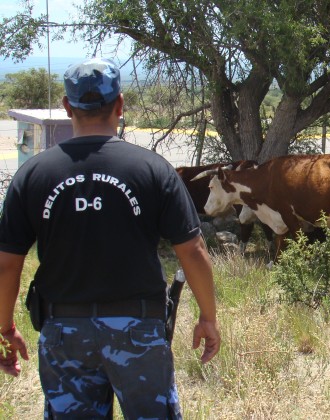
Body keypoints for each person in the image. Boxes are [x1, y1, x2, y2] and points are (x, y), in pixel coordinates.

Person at [0, 57, 220, 418]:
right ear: (120, 105)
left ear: (67, 107)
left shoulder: (33, 175)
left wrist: (5, 328)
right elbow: (193, 251)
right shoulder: (153, 169)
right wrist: (208, 317)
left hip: (64, 334)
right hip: (137, 332)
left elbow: (7, 264)